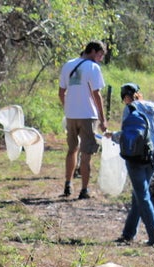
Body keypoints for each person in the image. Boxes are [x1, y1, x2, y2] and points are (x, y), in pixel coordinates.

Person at [112, 82, 154, 246]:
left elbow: (126, 136)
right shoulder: (152, 107)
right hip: (153, 155)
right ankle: (128, 233)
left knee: (142, 195)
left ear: (125, 97)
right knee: (139, 194)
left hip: (135, 156)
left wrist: (113, 136)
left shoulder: (129, 109)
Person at [58, 41, 108, 200]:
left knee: (72, 149)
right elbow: (97, 95)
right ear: (92, 51)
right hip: (88, 115)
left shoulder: (68, 65)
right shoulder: (93, 68)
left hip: (71, 116)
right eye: (100, 55)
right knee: (86, 153)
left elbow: (61, 92)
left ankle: (68, 183)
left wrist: (68, 108)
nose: (100, 59)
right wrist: (103, 119)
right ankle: (84, 190)